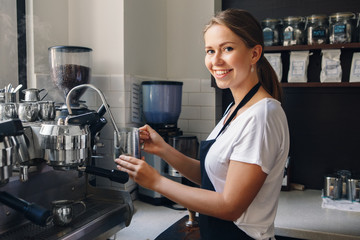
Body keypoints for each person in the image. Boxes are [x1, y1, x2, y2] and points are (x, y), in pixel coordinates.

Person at [115, 8, 289, 240]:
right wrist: (164, 150)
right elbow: (212, 177)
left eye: (227, 48)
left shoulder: (262, 116)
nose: (215, 60)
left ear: (254, 54)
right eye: (210, 51)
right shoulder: (235, 109)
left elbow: (230, 206)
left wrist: (156, 181)